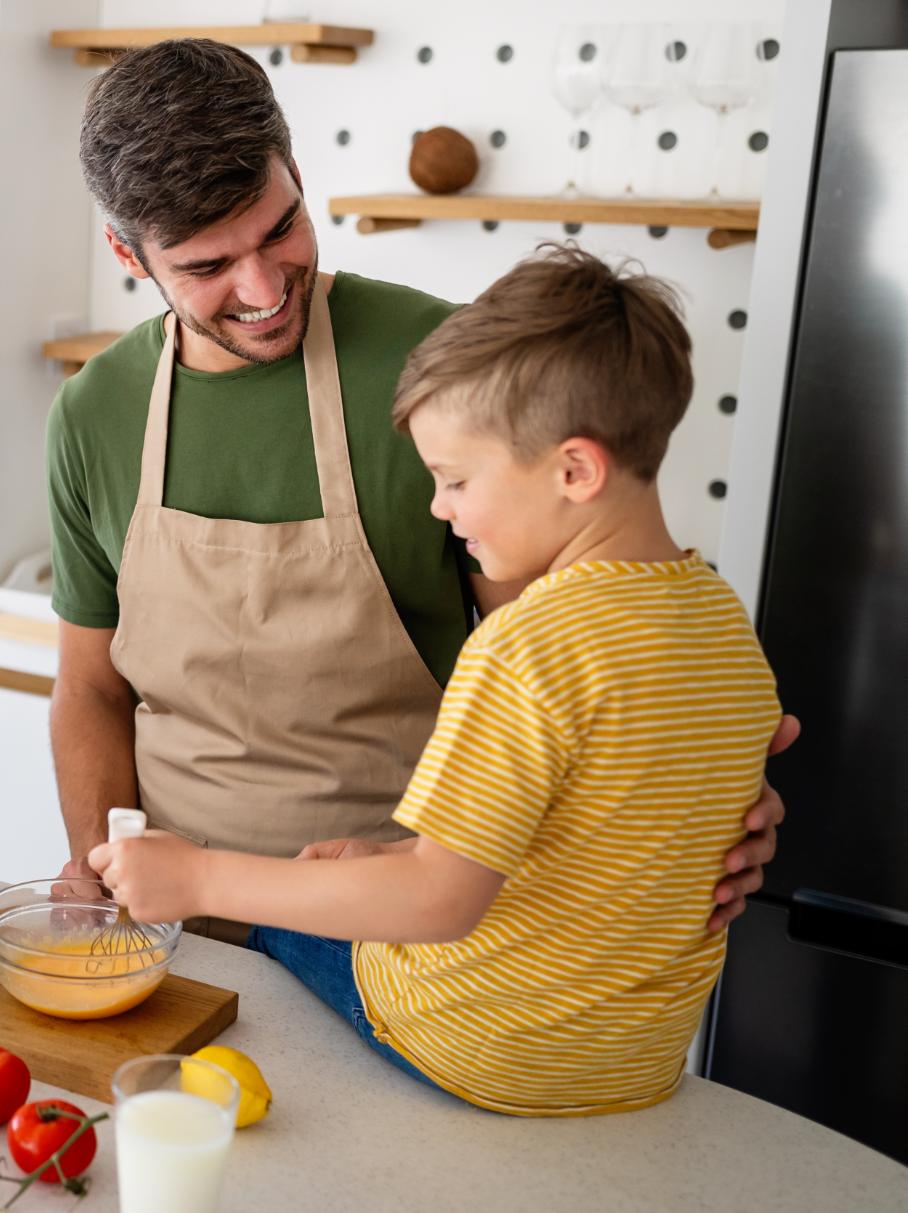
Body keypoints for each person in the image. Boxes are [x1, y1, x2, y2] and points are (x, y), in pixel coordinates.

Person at [46, 38, 785, 938]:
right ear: (128, 254)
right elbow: (90, 689)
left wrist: (685, 802)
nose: (263, 286)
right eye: (207, 268)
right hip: (172, 911)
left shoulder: (446, 377)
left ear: (297, 176)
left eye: (279, 229)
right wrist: (100, 866)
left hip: (412, 911)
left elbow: (567, 658)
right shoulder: (93, 414)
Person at [90, 246, 782, 1116]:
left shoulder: (526, 644)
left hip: (474, 1047)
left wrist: (198, 879)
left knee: (256, 932)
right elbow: (587, 849)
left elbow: (438, 901)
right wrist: (394, 855)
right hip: (631, 1068)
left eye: (456, 479)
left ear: (575, 470)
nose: (439, 507)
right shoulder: (722, 622)